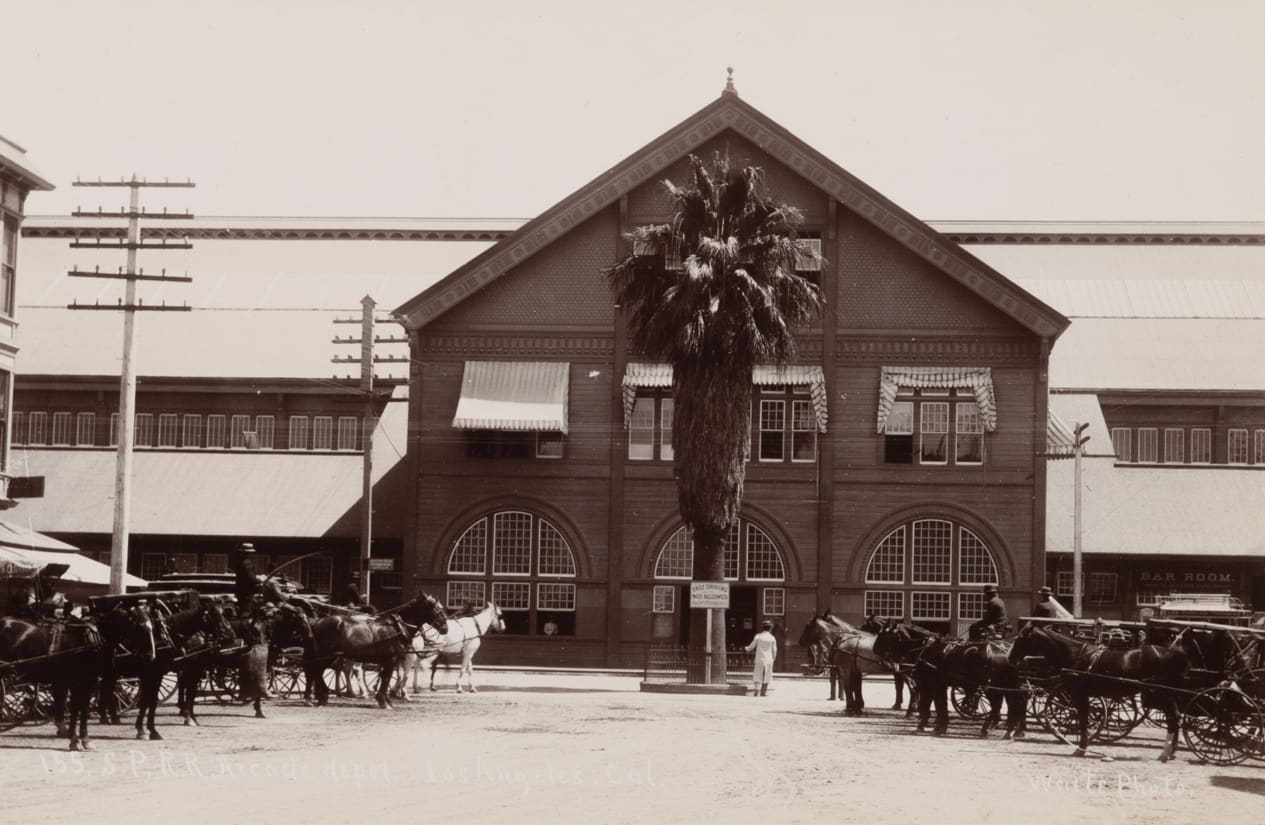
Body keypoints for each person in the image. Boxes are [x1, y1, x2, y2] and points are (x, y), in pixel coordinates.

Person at [744, 620, 778, 697]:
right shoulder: (772, 638)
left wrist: (746, 648)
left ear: (763, 628)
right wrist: (773, 658)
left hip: (759, 658)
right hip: (769, 659)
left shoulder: (758, 636)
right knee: (767, 675)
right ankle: (763, 692)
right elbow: (774, 650)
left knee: (757, 674)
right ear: (770, 628)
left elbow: (751, 647)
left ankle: (757, 689)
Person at [232, 542, 260, 614]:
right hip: (247, 591)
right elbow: (250, 577)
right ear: (248, 553)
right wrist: (259, 581)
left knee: (242, 608)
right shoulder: (247, 562)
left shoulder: (239, 561)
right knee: (246, 611)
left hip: (240, 590)